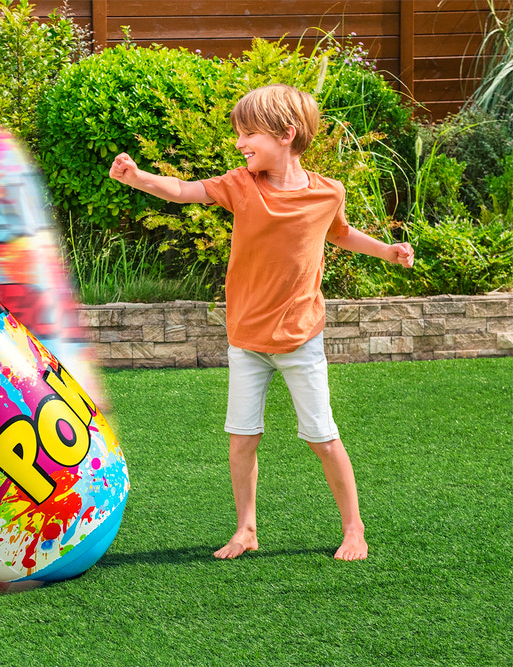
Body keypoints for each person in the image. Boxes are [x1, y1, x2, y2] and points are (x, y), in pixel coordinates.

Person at [109, 83, 414, 561]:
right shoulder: (240, 185)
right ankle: (245, 529)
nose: (238, 143)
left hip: (300, 341)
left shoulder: (327, 193)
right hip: (246, 340)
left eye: (248, 133)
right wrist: (137, 177)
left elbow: (342, 234)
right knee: (241, 439)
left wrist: (388, 251)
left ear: (286, 134)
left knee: (322, 437)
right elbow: (186, 191)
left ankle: (354, 529)